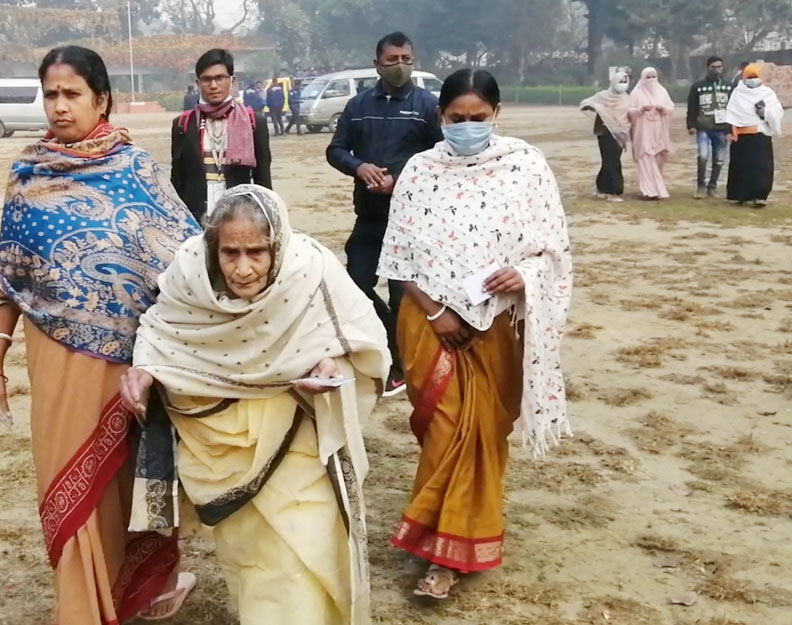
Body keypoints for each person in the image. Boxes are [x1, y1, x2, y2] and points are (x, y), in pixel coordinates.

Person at [0, 45, 200, 624]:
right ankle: (81, 606)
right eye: (51, 94)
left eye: (72, 93)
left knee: (131, 475)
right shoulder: (28, 176)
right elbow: (8, 278)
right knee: (67, 476)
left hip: (134, 363)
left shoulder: (137, 170)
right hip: (55, 358)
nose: (59, 106)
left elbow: (187, 263)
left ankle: (142, 586)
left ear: (102, 100)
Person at [121, 184, 391, 625]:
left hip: (299, 440)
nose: (243, 269)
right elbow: (160, 331)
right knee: (254, 560)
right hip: (219, 449)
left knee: (308, 549)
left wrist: (332, 361)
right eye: (230, 253)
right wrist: (145, 372)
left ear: (277, 246)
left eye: (257, 253)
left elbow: (363, 336)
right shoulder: (191, 274)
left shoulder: (310, 269)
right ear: (214, 248)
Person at [377, 69, 572, 600]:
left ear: (496, 115)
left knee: (483, 433)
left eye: (478, 118)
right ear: (440, 116)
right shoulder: (421, 170)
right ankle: (440, 551)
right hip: (430, 326)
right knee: (445, 433)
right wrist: (437, 312)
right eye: (456, 118)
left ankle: (451, 546)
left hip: (498, 326)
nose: (467, 126)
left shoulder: (525, 166)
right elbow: (399, 259)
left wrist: (524, 274)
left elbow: (552, 250)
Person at [327, 31, 442, 395]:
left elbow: (440, 156)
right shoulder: (358, 106)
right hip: (369, 218)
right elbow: (335, 150)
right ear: (377, 64)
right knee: (355, 286)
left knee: (403, 295)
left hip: (410, 221)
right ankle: (387, 340)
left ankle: (401, 365)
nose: (400, 66)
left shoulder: (428, 106)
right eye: (392, 60)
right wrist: (359, 167)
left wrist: (402, 178)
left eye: (406, 59)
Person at [171, 49, 272, 222]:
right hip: (195, 220)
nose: (213, 85)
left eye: (220, 78)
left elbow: (263, 181)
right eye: (207, 79)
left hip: (239, 220)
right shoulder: (182, 124)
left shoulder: (253, 122)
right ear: (198, 83)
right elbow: (178, 181)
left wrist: (265, 221)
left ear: (232, 80)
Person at [725, 63, 783, 208]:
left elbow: (777, 111)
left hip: (760, 135)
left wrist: (764, 112)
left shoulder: (767, 93)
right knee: (741, 167)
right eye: (749, 77)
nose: (752, 80)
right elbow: (731, 114)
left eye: (755, 77)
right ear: (744, 77)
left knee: (761, 167)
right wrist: (729, 131)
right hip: (741, 137)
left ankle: (759, 196)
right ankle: (739, 195)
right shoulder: (737, 93)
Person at [579, 72, 631, 202]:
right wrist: (598, 108)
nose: (622, 84)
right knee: (611, 161)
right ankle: (614, 190)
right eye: (620, 81)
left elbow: (630, 115)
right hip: (605, 132)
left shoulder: (627, 98)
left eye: (625, 82)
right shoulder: (602, 96)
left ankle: (601, 187)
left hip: (620, 133)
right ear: (613, 82)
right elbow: (585, 103)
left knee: (610, 161)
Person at [687, 57, 732, 199]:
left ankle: (712, 186)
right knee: (703, 157)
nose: (716, 70)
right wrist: (691, 125)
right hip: (703, 128)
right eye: (713, 67)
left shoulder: (729, 86)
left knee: (719, 160)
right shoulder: (698, 86)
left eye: (719, 67)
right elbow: (692, 107)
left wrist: (730, 130)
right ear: (707, 68)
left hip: (721, 129)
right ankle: (701, 186)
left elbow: (733, 110)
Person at [628, 67, 674, 200]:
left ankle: (657, 188)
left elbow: (670, 107)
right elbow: (629, 111)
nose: (651, 80)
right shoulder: (636, 93)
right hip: (643, 131)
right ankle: (649, 191)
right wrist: (640, 109)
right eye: (648, 77)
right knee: (646, 158)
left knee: (658, 159)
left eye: (654, 77)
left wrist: (664, 109)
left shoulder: (662, 91)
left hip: (659, 130)